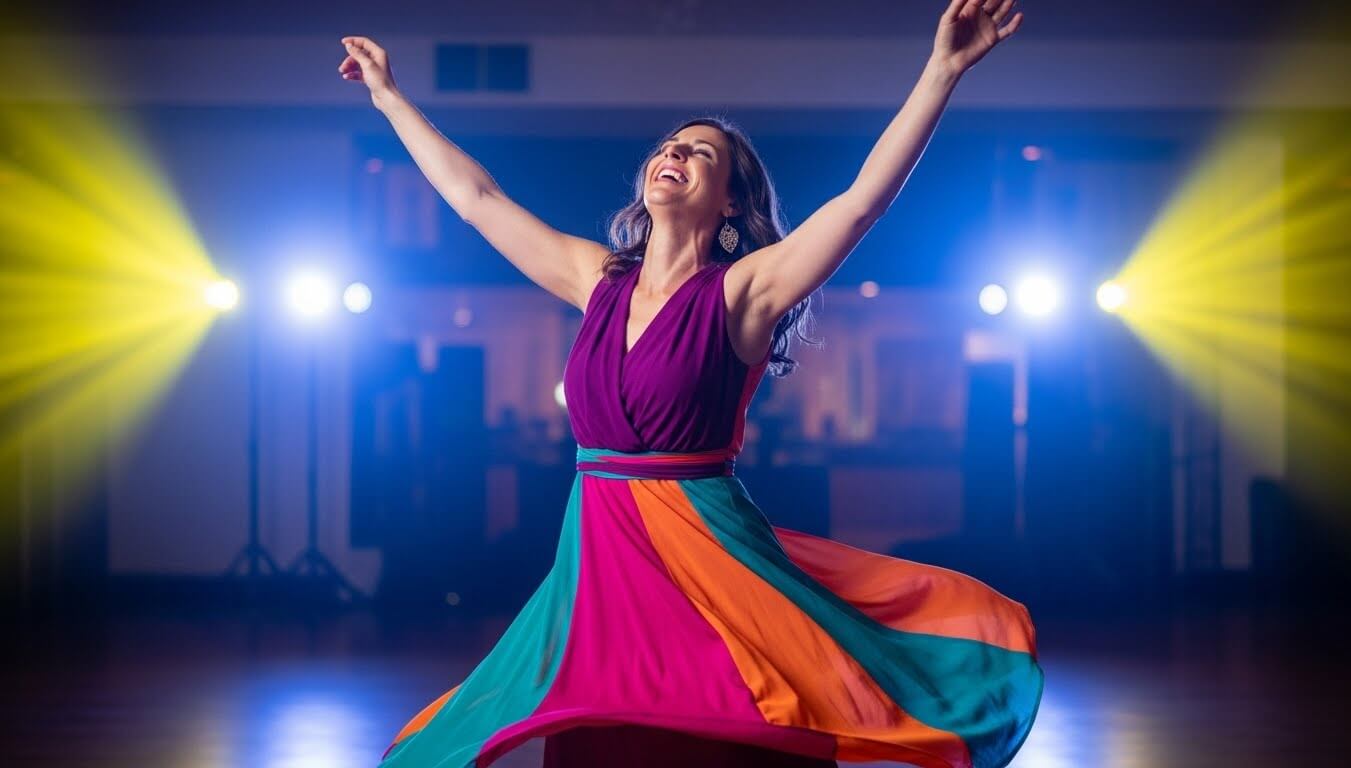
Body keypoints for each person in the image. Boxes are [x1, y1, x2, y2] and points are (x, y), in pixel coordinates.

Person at [340, 1, 1040, 766]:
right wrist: (388, 97)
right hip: (601, 573)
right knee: (598, 743)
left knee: (728, 731)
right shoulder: (595, 279)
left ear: (731, 200)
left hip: (713, 566)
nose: (673, 154)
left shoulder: (742, 292)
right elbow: (478, 202)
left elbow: (860, 204)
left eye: (700, 153)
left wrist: (941, 70)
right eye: (669, 147)